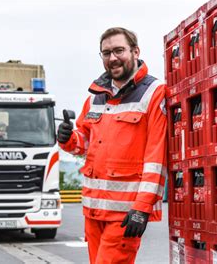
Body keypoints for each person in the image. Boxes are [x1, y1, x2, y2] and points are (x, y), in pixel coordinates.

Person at [57, 27, 167, 264]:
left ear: (135, 51)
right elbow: (85, 144)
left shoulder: (153, 93)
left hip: (125, 213)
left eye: (119, 50)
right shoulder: (95, 97)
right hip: (93, 210)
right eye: (106, 53)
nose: (112, 58)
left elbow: (156, 157)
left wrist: (142, 208)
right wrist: (68, 139)